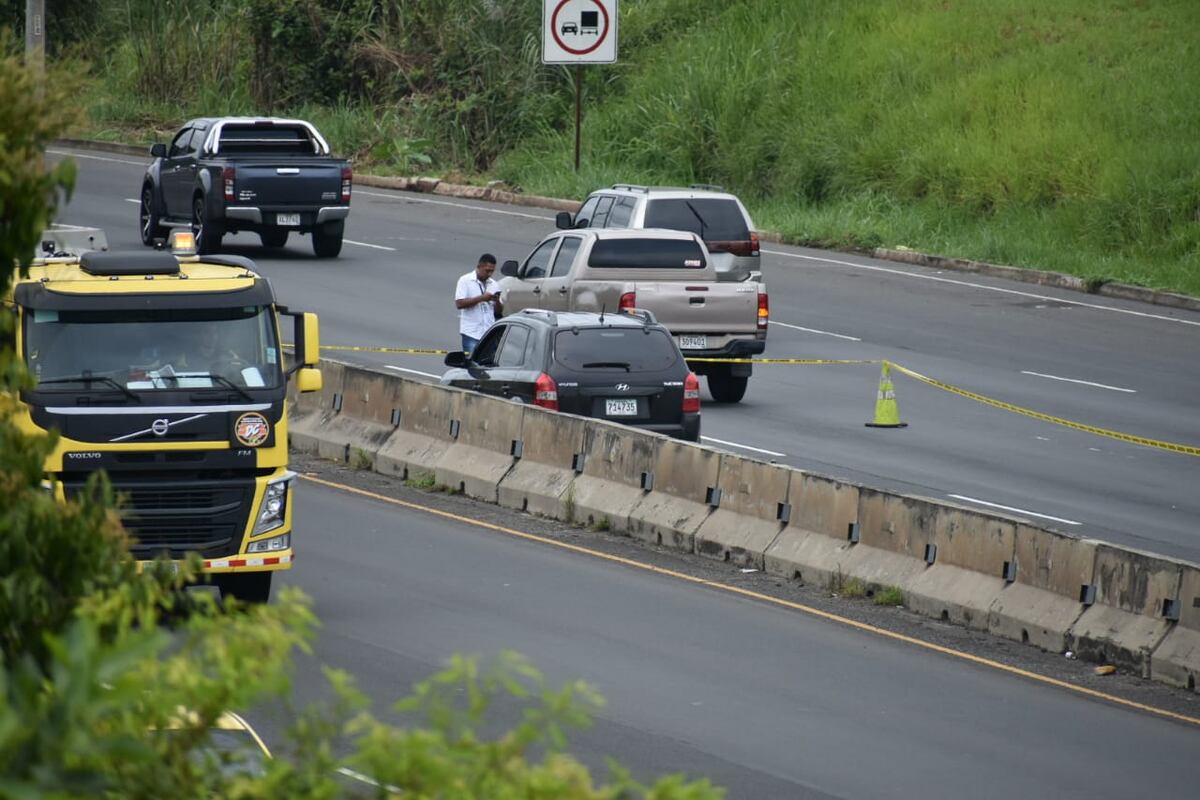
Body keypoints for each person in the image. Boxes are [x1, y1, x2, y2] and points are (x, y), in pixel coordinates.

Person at [454, 253, 503, 354]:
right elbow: (459, 303)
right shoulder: (465, 280)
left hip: (488, 334)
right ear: (479, 266)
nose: (489, 274)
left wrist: (497, 300)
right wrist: (482, 298)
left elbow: (498, 312)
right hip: (471, 333)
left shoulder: (494, 284)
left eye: (492, 271)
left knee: (487, 363)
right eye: (487, 271)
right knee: (472, 362)